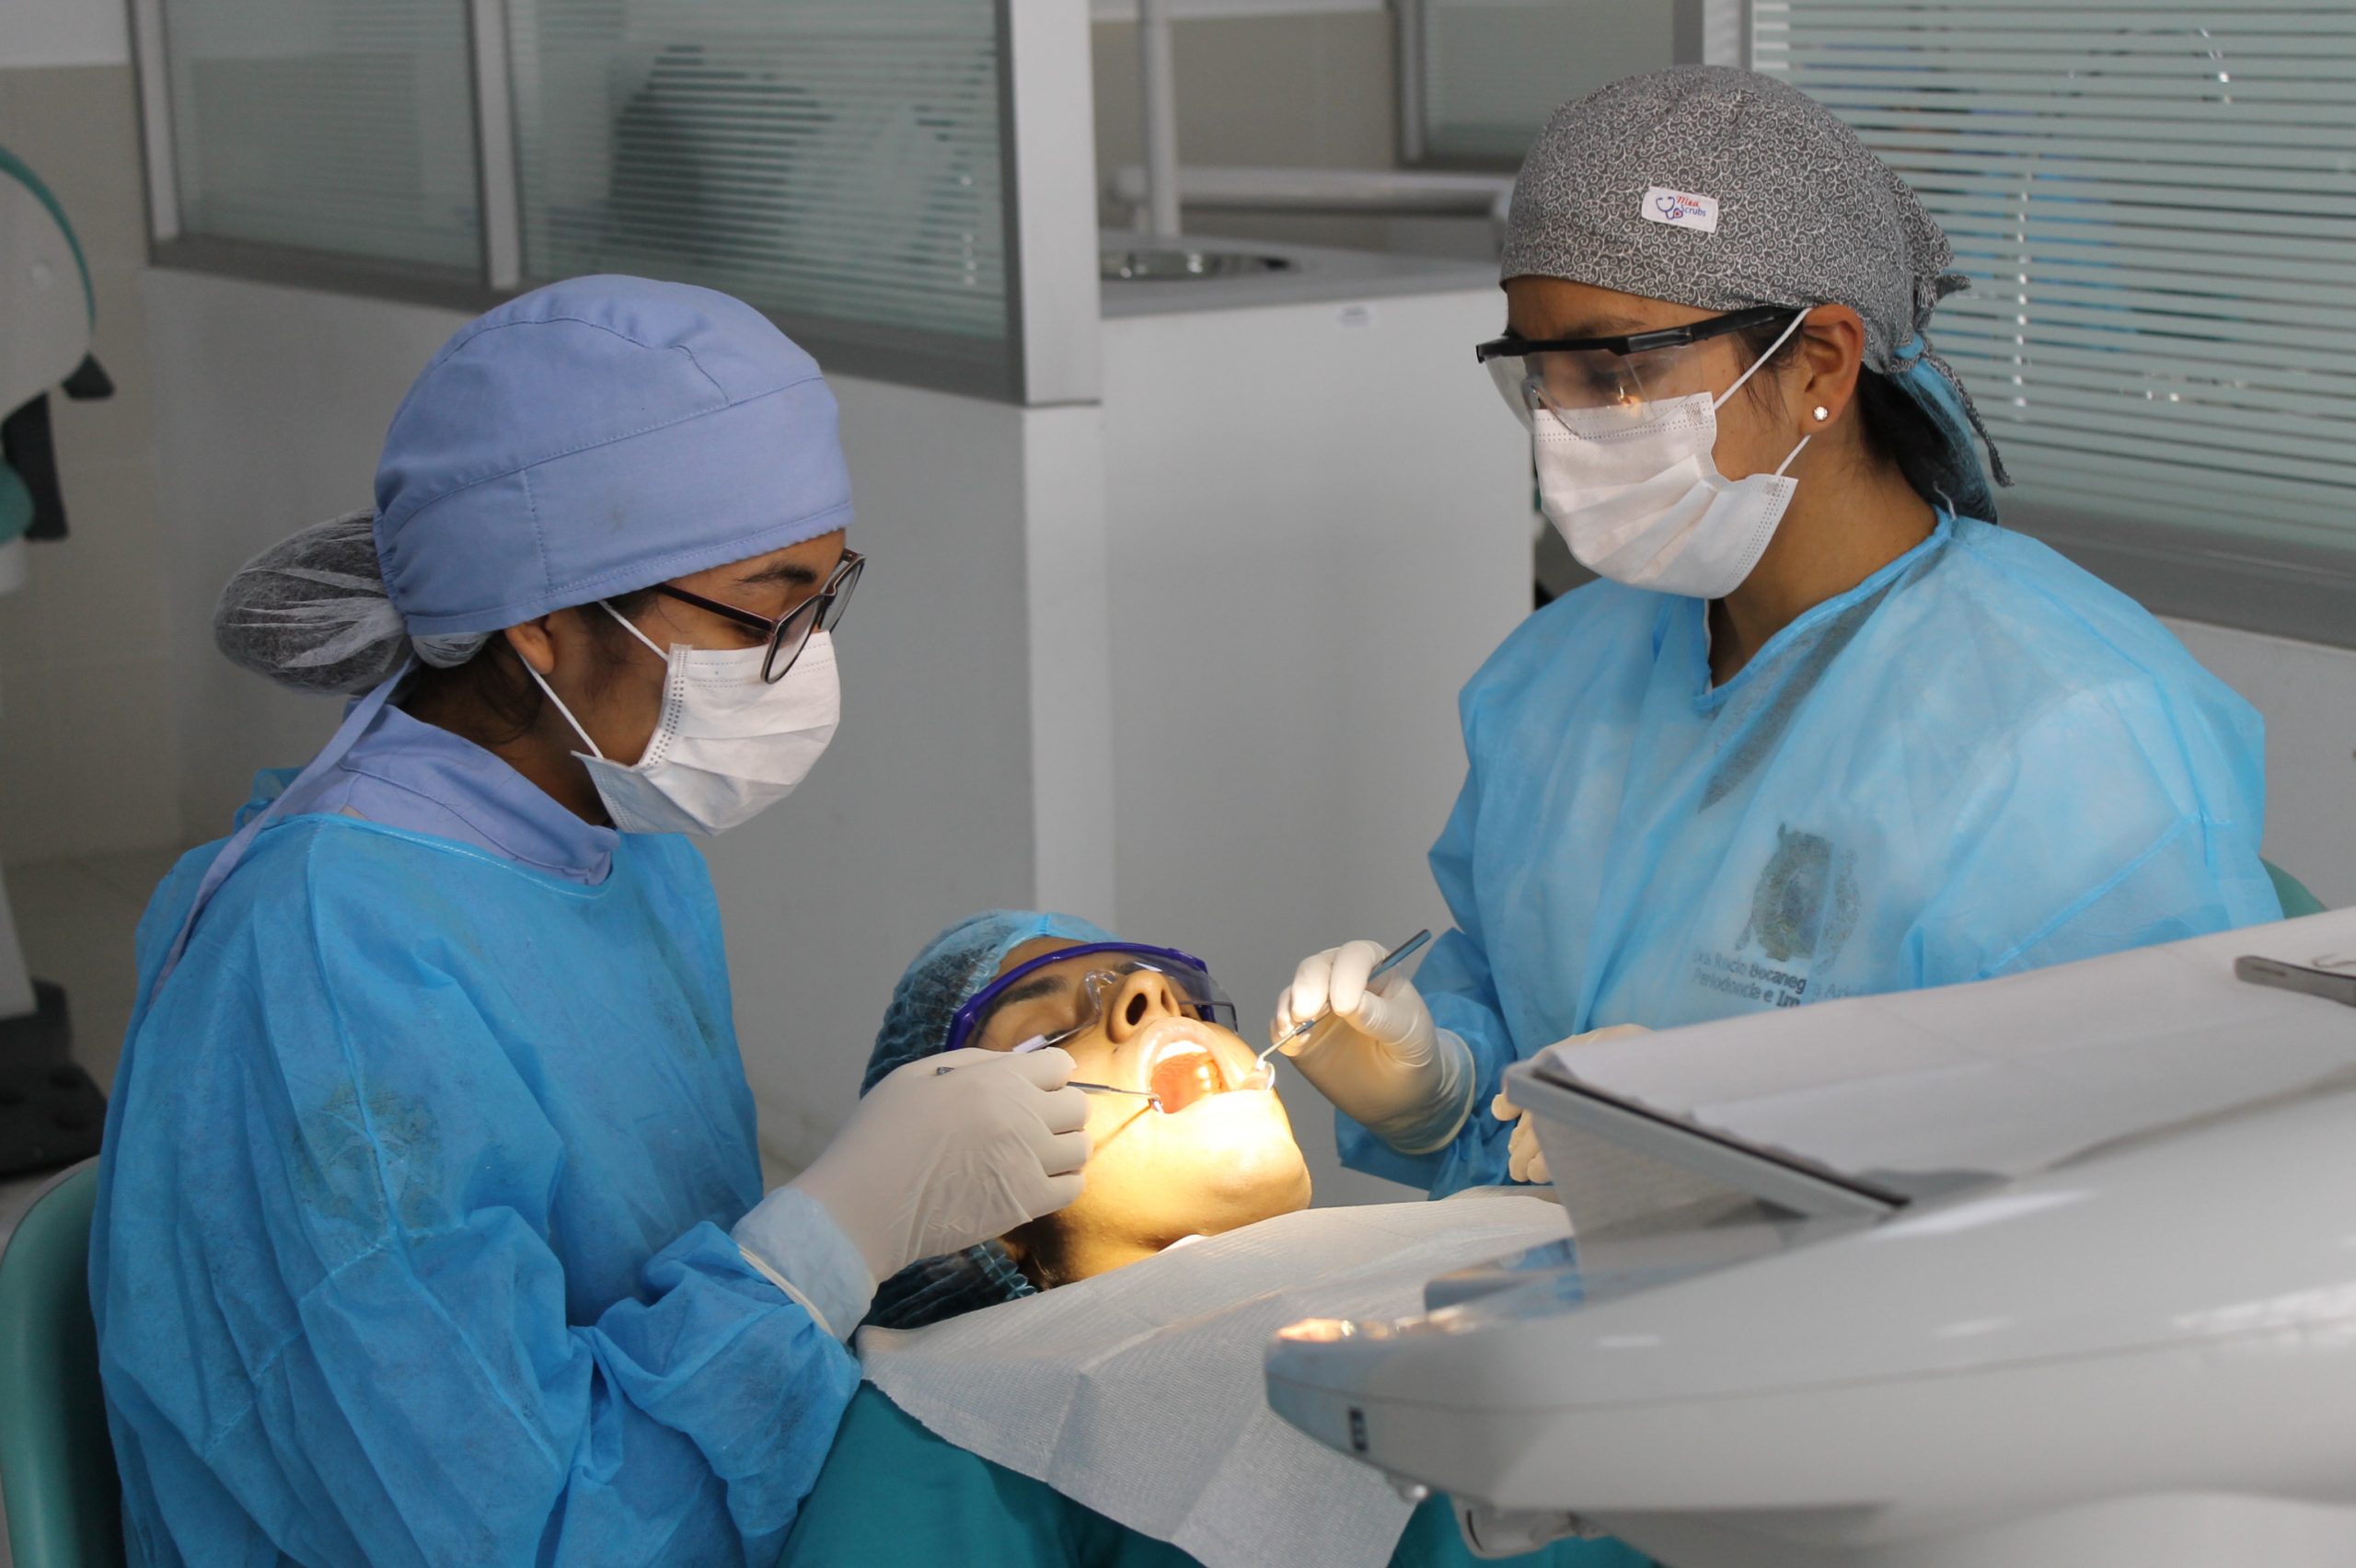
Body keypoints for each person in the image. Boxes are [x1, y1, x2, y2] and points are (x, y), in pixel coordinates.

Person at [91, 277, 1093, 1565]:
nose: (803, 658)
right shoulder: (334, 962)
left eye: (824, 599)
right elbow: (512, 1529)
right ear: (545, 620)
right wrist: (829, 1238)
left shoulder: (628, 862)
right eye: (760, 610)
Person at [1276, 65, 2281, 1198]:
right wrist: (1446, 1087)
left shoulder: (2066, 733)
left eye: (1616, 368)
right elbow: (1524, 1055)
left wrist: (1763, 1141)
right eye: (1540, 369)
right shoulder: (1558, 680)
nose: (1566, 420)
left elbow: (2168, 1183)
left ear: (1818, 366)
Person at [778, 912, 1653, 1568]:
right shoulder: (951, 1413)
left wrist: (1700, 1162)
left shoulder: (1462, 1238)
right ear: (985, 1213)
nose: (1149, 997)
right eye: (1046, 1035)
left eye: (1181, 994)